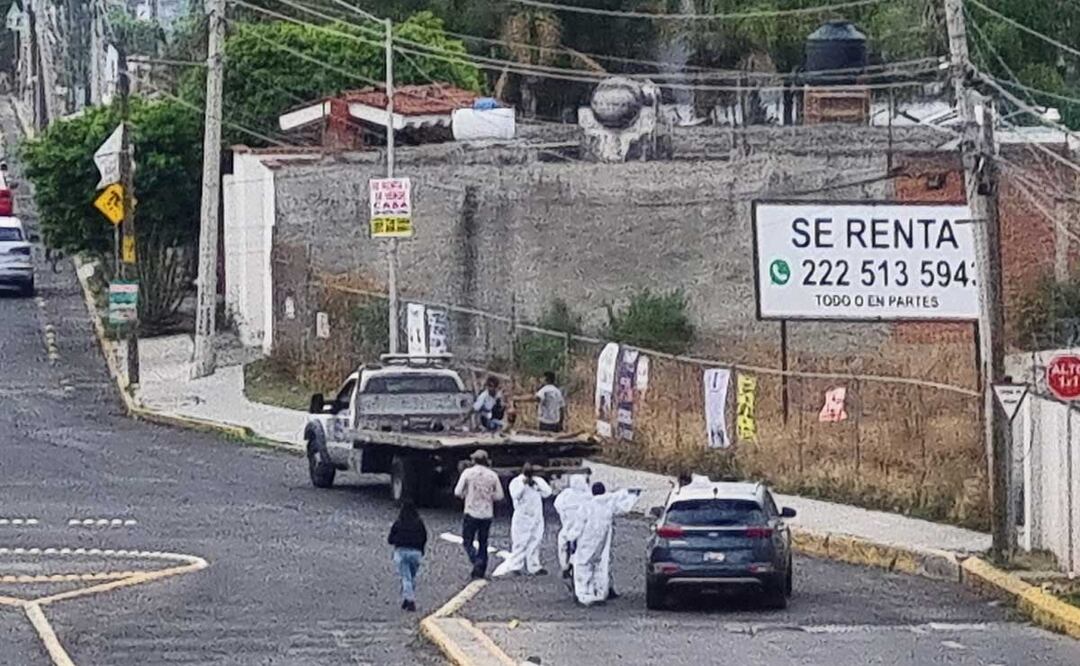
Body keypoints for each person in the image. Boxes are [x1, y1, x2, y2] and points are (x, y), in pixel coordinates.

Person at [566, 482, 642, 606]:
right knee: (598, 567)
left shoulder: (587, 506)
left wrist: (570, 538)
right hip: (601, 542)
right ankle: (599, 594)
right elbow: (624, 508)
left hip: (587, 541)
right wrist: (634, 496)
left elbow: (578, 526)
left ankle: (584, 596)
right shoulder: (609, 504)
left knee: (583, 566)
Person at [493, 463, 553, 577]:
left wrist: (537, 484)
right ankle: (516, 566)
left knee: (536, 541)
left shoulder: (537, 481)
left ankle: (534, 566)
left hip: (536, 516)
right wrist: (523, 484)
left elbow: (548, 492)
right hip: (522, 517)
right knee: (520, 542)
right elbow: (515, 495)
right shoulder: (516, 482)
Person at [454, 449, 505, 579]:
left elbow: (458, 491)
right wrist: (488, 496)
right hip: (487, 512)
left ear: (473, 460)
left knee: (468, 541)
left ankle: (476, 561)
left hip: (471, 511)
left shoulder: (468, 473)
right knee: (483, 542)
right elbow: (499, 495)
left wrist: (466, 495)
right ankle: (480, 570)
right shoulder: (492, 475)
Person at [387, 500, 427, 612]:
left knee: (406, 578)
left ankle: (410, 600)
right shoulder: (419, 523)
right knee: (412, 577)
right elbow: (424, 537)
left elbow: (390, 539)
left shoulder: (398, 523)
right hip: (416, 553)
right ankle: (407, 597)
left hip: (401, 552)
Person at [553, 474, 591, 579]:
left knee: (563, 545)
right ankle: (574, 565)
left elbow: (557, 505)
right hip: (582, 529)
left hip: (567, 527)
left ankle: (564, 566)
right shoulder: (587, 495)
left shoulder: (565, 495)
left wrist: (564, 515)